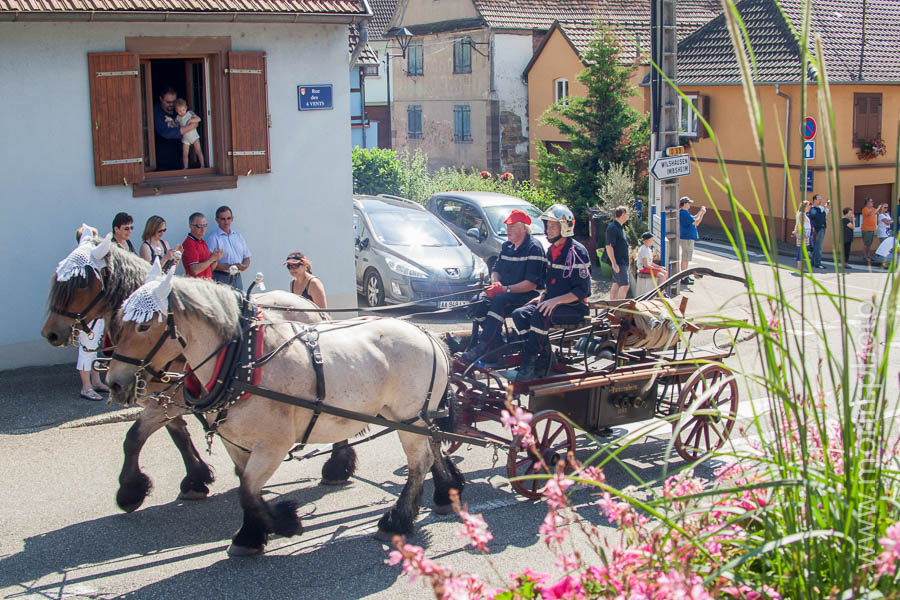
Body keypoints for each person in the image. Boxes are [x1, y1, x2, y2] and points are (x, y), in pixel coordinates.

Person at [511, 204, 591, 381]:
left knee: (541, 313)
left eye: (553, 226)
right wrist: (541, 298)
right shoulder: (551, 251)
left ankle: (529, 363)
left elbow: (582, 290)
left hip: (574, 308)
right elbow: (552, 285)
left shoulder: (578, 252)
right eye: (547, 226)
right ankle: (547, 357)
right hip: (551, 304)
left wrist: (554, 302)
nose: (548, 230)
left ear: (565, 227)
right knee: (520, 314)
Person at [459, 209, 544, 364]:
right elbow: (496, 270)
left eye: (512, 226)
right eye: (507, 226)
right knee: (477, 301)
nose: (508, 229)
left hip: (526, 295)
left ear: (524, 228)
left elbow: (531, 284)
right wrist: (496, 283)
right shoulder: (507, 247)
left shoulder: (534, 248)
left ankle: (483, 346)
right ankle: (495, 342)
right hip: (505, 292)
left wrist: (504, 289)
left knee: (499, 302)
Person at [73, 225, 108, 401]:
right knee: (86, 349)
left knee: (94, 349)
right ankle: (86, 386)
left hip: (97, 313)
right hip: (87, 316)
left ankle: (96, 381)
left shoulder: (92, 262)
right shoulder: (80, 265)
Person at [206, 205, 251, 290]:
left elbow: (247, 256)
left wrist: (244, 265)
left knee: (239, 302)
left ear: (232, 218)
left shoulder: (238, 236)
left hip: (237, 278)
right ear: (217, 220)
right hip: (221, 278)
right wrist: (229, 267)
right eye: (223, 219)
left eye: (228, 218)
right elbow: (209, 263)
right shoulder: (213, 239)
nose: (226, 222)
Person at [153, 87, 199, 171]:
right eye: (168, 102)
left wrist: (194, 121)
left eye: (174, 102)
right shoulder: (156, 112)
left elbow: (193, 119)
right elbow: (165, 132)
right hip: (162, 161)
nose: (172, 104)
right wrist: (190, 127)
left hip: (179, 158)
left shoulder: (178, 110)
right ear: (161, 99)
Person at [182, 212, 223, 279]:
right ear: (191, 226)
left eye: (205, 225)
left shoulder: (202, 242)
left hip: (206, 283)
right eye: (199, 226)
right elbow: (194, 270)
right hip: (195, 285)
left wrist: (215, 258)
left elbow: (211, 268)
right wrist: (211, 259)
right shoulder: (189, 243)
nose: (203, 229)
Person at [678, 196, 707, 286]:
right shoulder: (684, 213)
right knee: (685, 259)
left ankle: (685, 276)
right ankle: (683, 277)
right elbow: (696, 222)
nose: (690, 204)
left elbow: (693, 218)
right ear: (685, 203)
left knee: (686, 258)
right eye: (689, 203)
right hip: (687, 238)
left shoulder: (684, 212)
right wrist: (702, 213)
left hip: (687, 237)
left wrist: (700, 212)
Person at [605, 205, 630, 300]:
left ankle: (612, 308)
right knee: (625, 286)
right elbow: (609, 246)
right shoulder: (613, 228)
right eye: (627, 214)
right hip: (619, 262)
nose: (628, 216)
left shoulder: (620, 227)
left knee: (616, 285)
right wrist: (614, 263)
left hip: (622, 262)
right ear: (623, 214)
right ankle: (619, 308)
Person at [174, 98, 204, 169]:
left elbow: (199, 119)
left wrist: (191, 120)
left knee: (198, 151)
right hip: (185, 138)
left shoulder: (190, 113)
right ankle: (185, 168)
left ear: (186, 108)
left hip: (194, 137)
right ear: (176, 111)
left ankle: (202, 165)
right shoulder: (177, 118)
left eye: (183, 110)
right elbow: (176, 126)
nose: (182, 112)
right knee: (185, 154)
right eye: (179, 111)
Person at [807, 194, 830, 269]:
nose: (820, 200)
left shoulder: (820, 208)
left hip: (822, 227)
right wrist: (823, 211)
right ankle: (817, 263)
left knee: (817, 246)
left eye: (821, 199)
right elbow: (818, 217)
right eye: (819, 199)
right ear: (814, 200)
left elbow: (824, 214)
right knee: (818, 247)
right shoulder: (813, 209)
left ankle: (814, 262)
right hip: (817, 229)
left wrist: (826, 208)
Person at [792, 200, 811, 272]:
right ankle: (799, 267)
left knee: (802, 250)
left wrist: (795, 231)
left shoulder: (801, 213)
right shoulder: (802, 214)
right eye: (808, 205)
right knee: (801, 251)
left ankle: (800, 267)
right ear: (804, 206)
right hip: (802, 235)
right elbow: (799, 224)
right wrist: (795, 231)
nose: (809, 207)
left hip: (804, 234)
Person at [861, 197, 877, 262]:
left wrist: (883, 207)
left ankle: (868, 255)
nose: (872, 203)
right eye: (871, 201)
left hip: (872, 228)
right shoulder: (865, 209)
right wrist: (878, 208)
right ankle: (865, 256)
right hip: (866, 229)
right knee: (866, 243)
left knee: (870, 243)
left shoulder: (873, 209)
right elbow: (870, 213)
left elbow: (879, 212)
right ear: (867, 202)